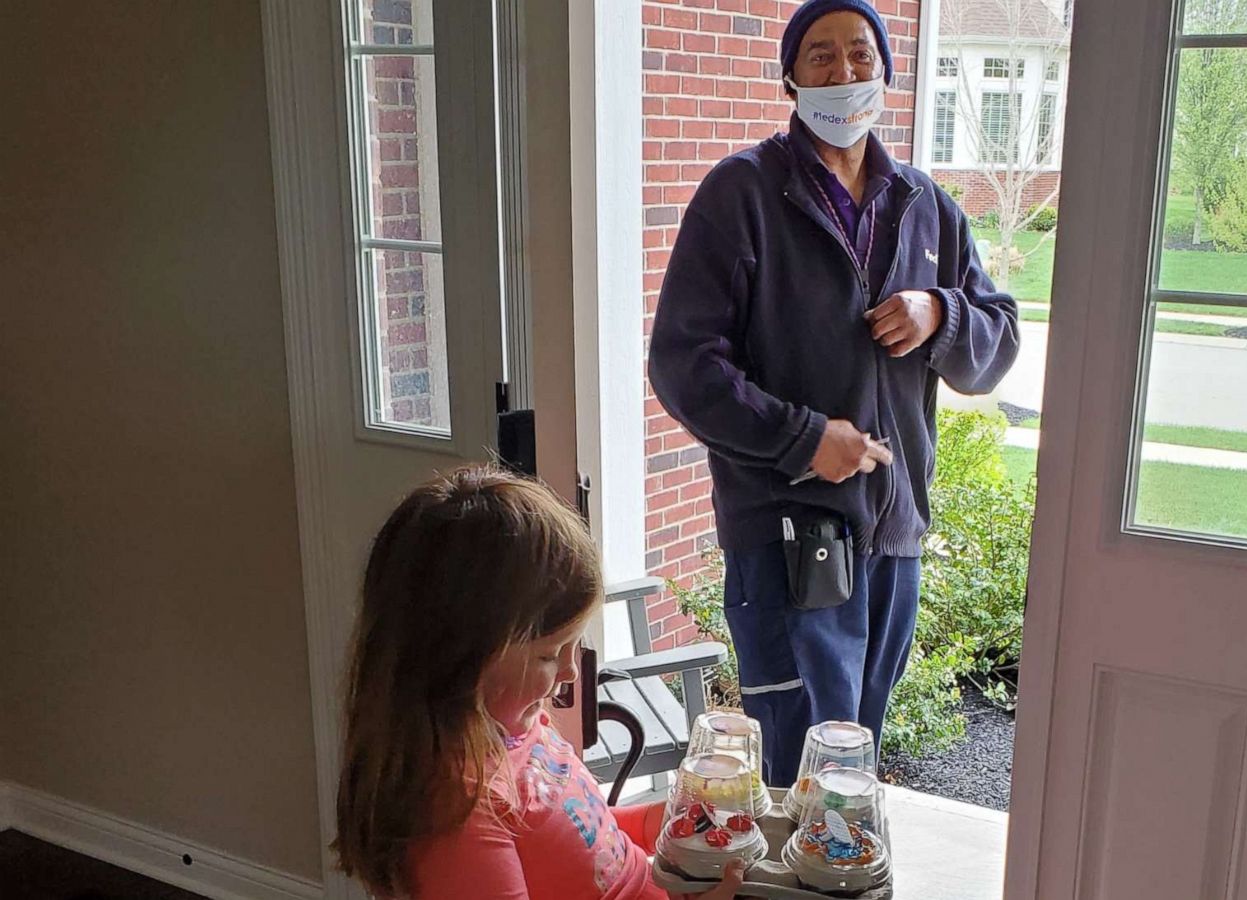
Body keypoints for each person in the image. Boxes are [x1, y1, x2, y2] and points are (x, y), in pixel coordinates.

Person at [649, 0, 1020, 786]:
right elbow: (685, 364)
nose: (843, 73)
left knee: (855, 762)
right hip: (786, 538)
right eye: (820, 56)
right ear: (789, 77)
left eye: (860, 54)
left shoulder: (928, 208)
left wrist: (942, 313)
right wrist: (804, 439)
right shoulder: (741, 196)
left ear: (885, 70)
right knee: (796, 763)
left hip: (893, 538)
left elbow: (996, 344)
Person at [331, 465, 743, 900]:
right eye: (549, 654)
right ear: (459, 657)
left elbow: (592, 850)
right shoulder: (459, 816)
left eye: (574, 644)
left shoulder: (515, 728)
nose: (569, 672)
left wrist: (659, 823)